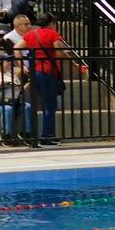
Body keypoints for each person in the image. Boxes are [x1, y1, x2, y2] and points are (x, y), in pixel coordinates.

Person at [21, 14, 69, 146]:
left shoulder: (32, 34)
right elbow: (58, 51)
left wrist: (22, 65)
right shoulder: (53, 34)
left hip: (35, 71)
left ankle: (48, 134)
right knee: (50, 106)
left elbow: (17, 47)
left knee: (43, 104)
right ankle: (46, 135)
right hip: (48, 72)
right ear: (52, 23)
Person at [0, 56, 31, 145]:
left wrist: (29, 82)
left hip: (13, 103)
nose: (9, 63)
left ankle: (26, 133)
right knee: (8, 109)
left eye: (9, 61)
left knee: (27, 106)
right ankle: (6, 135)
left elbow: (19, 91)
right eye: (7, 61)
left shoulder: (11, 75)